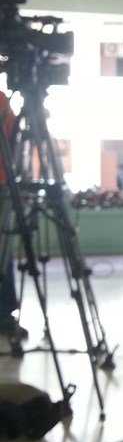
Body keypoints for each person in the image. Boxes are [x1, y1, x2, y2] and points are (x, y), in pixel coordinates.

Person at [0, 91, 28, 339]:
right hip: (2, 183)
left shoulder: (1, 101)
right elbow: (15, 144)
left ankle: (4, 314)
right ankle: (4, 315)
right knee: (2, 248)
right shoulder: (2, 101)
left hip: (1, 183)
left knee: (2, 249)